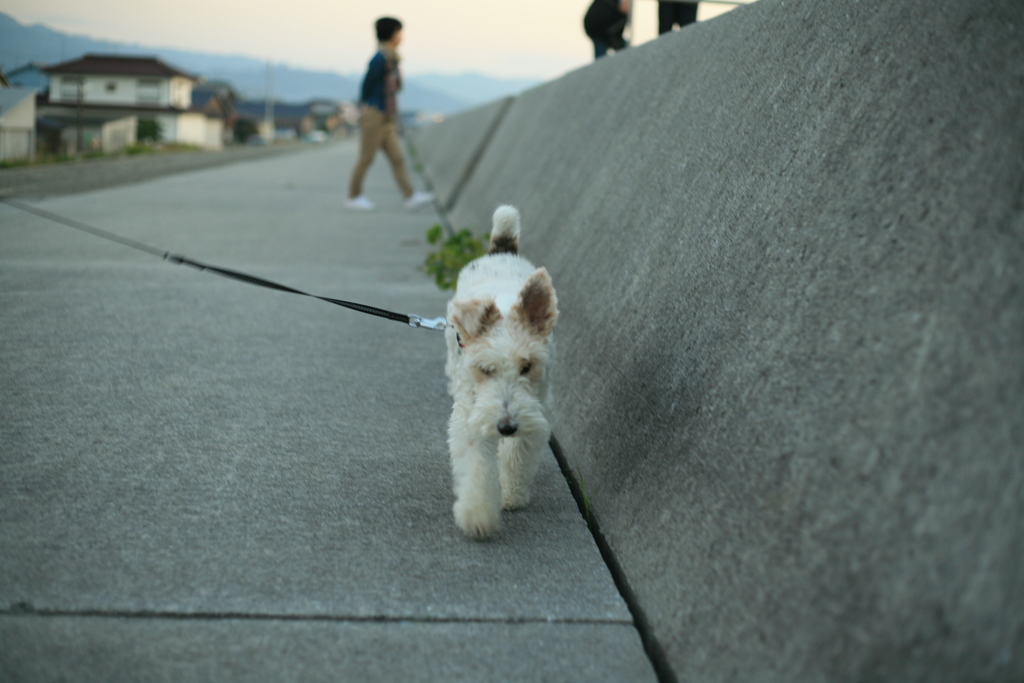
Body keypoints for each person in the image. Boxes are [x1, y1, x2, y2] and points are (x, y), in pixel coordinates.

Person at [345, 16, 434, 212]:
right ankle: (353, 196)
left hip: (386, 116)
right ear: (392, 34)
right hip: (374, 114)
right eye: (399, 32)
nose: (401, 36)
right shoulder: (380, 58)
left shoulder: (391, 57)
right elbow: (366, 86)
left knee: (398, 157)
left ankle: (410, 196)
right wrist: (368, 109)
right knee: (366, 157)